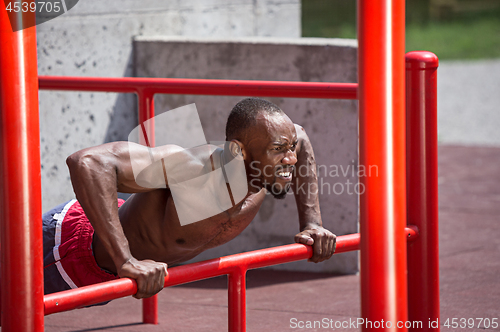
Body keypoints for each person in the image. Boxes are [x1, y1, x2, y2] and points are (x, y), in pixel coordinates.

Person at [42, 97, 336, 300]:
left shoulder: (272, 160)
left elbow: (300, 135)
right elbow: (87, 162)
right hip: (66, 252)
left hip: (109, 272)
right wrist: (126, 260)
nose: (291, 158)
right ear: (240, 151)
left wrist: (313, 223)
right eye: (278, 149)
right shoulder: (192, 168)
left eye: (290, 147)